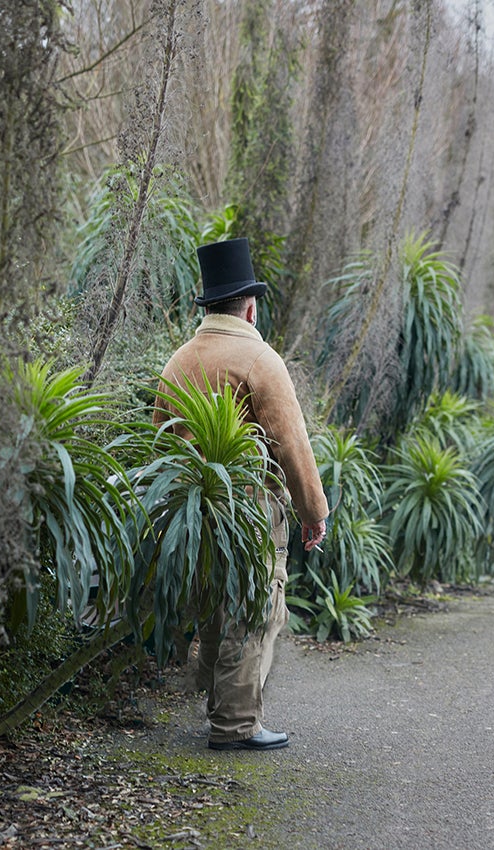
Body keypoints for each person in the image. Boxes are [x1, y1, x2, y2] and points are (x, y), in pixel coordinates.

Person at [153, 237, 328, 751]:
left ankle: (214, 699)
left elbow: (159, 442)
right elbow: (291, 444)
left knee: (211, 601)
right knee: (256, 605)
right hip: (248, 507)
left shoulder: (178, 360)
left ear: (210, 304)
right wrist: (312, 511)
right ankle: (235, 724)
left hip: (193, 506)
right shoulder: (260, 359)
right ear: (250, 306)